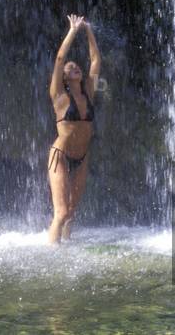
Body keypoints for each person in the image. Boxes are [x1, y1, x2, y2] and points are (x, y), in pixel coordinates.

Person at [47, 14, 101, 244]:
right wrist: (72, 29)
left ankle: (66, 248)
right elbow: (60, 59)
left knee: (71, 212)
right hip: (60, 156)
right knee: (61, 213)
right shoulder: (59, 96)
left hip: (82, 158)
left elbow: (96, 60)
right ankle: (51, 256)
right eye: (71, 68)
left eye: (77, 66)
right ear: (65, 78)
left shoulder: (88, 92)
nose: (74, 67)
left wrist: (88, 29)